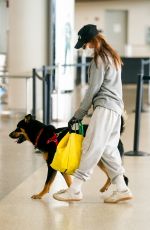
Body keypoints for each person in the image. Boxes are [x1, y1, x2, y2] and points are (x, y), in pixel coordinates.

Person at [53, 24, 133, 203]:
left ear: (92, 41)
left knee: (91, 146)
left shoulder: (99, 59)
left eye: (85, 43)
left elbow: (93, 90)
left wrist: (78, 115)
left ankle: (75, 190)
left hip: (104, 108)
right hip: (116, 109)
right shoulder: (112, 56)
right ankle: (122, 188)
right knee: (108, 149)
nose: (85, 47)